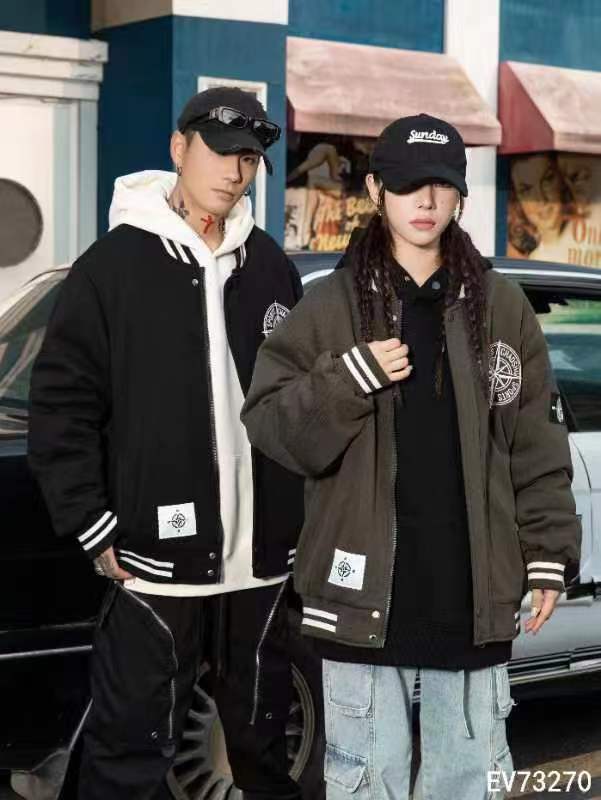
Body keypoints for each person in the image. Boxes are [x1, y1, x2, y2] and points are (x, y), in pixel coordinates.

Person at [241, 114, 581, 799]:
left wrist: (548, 553)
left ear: (459, 194)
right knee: (368, 784)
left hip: (472, 596)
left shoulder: (502, 306)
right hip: (361, 596)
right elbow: (271, 425)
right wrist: (349, 379)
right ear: (375, 190)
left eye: (441, 184)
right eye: (406, 184)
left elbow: (536, 444)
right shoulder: (331, 306)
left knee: (468, 785)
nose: (425, 200)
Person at [28, 87, 304, 800]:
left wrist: (298, 518)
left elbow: (302, 401)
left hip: (261, 570)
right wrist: (93, 525)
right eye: (221, 152)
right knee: (128, 757)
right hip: (155, 567)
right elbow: (60, 408)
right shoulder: (113, 267)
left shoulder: (269, 266)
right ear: (180, 149)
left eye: (250, 159)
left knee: (266, 756)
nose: (235, 172)